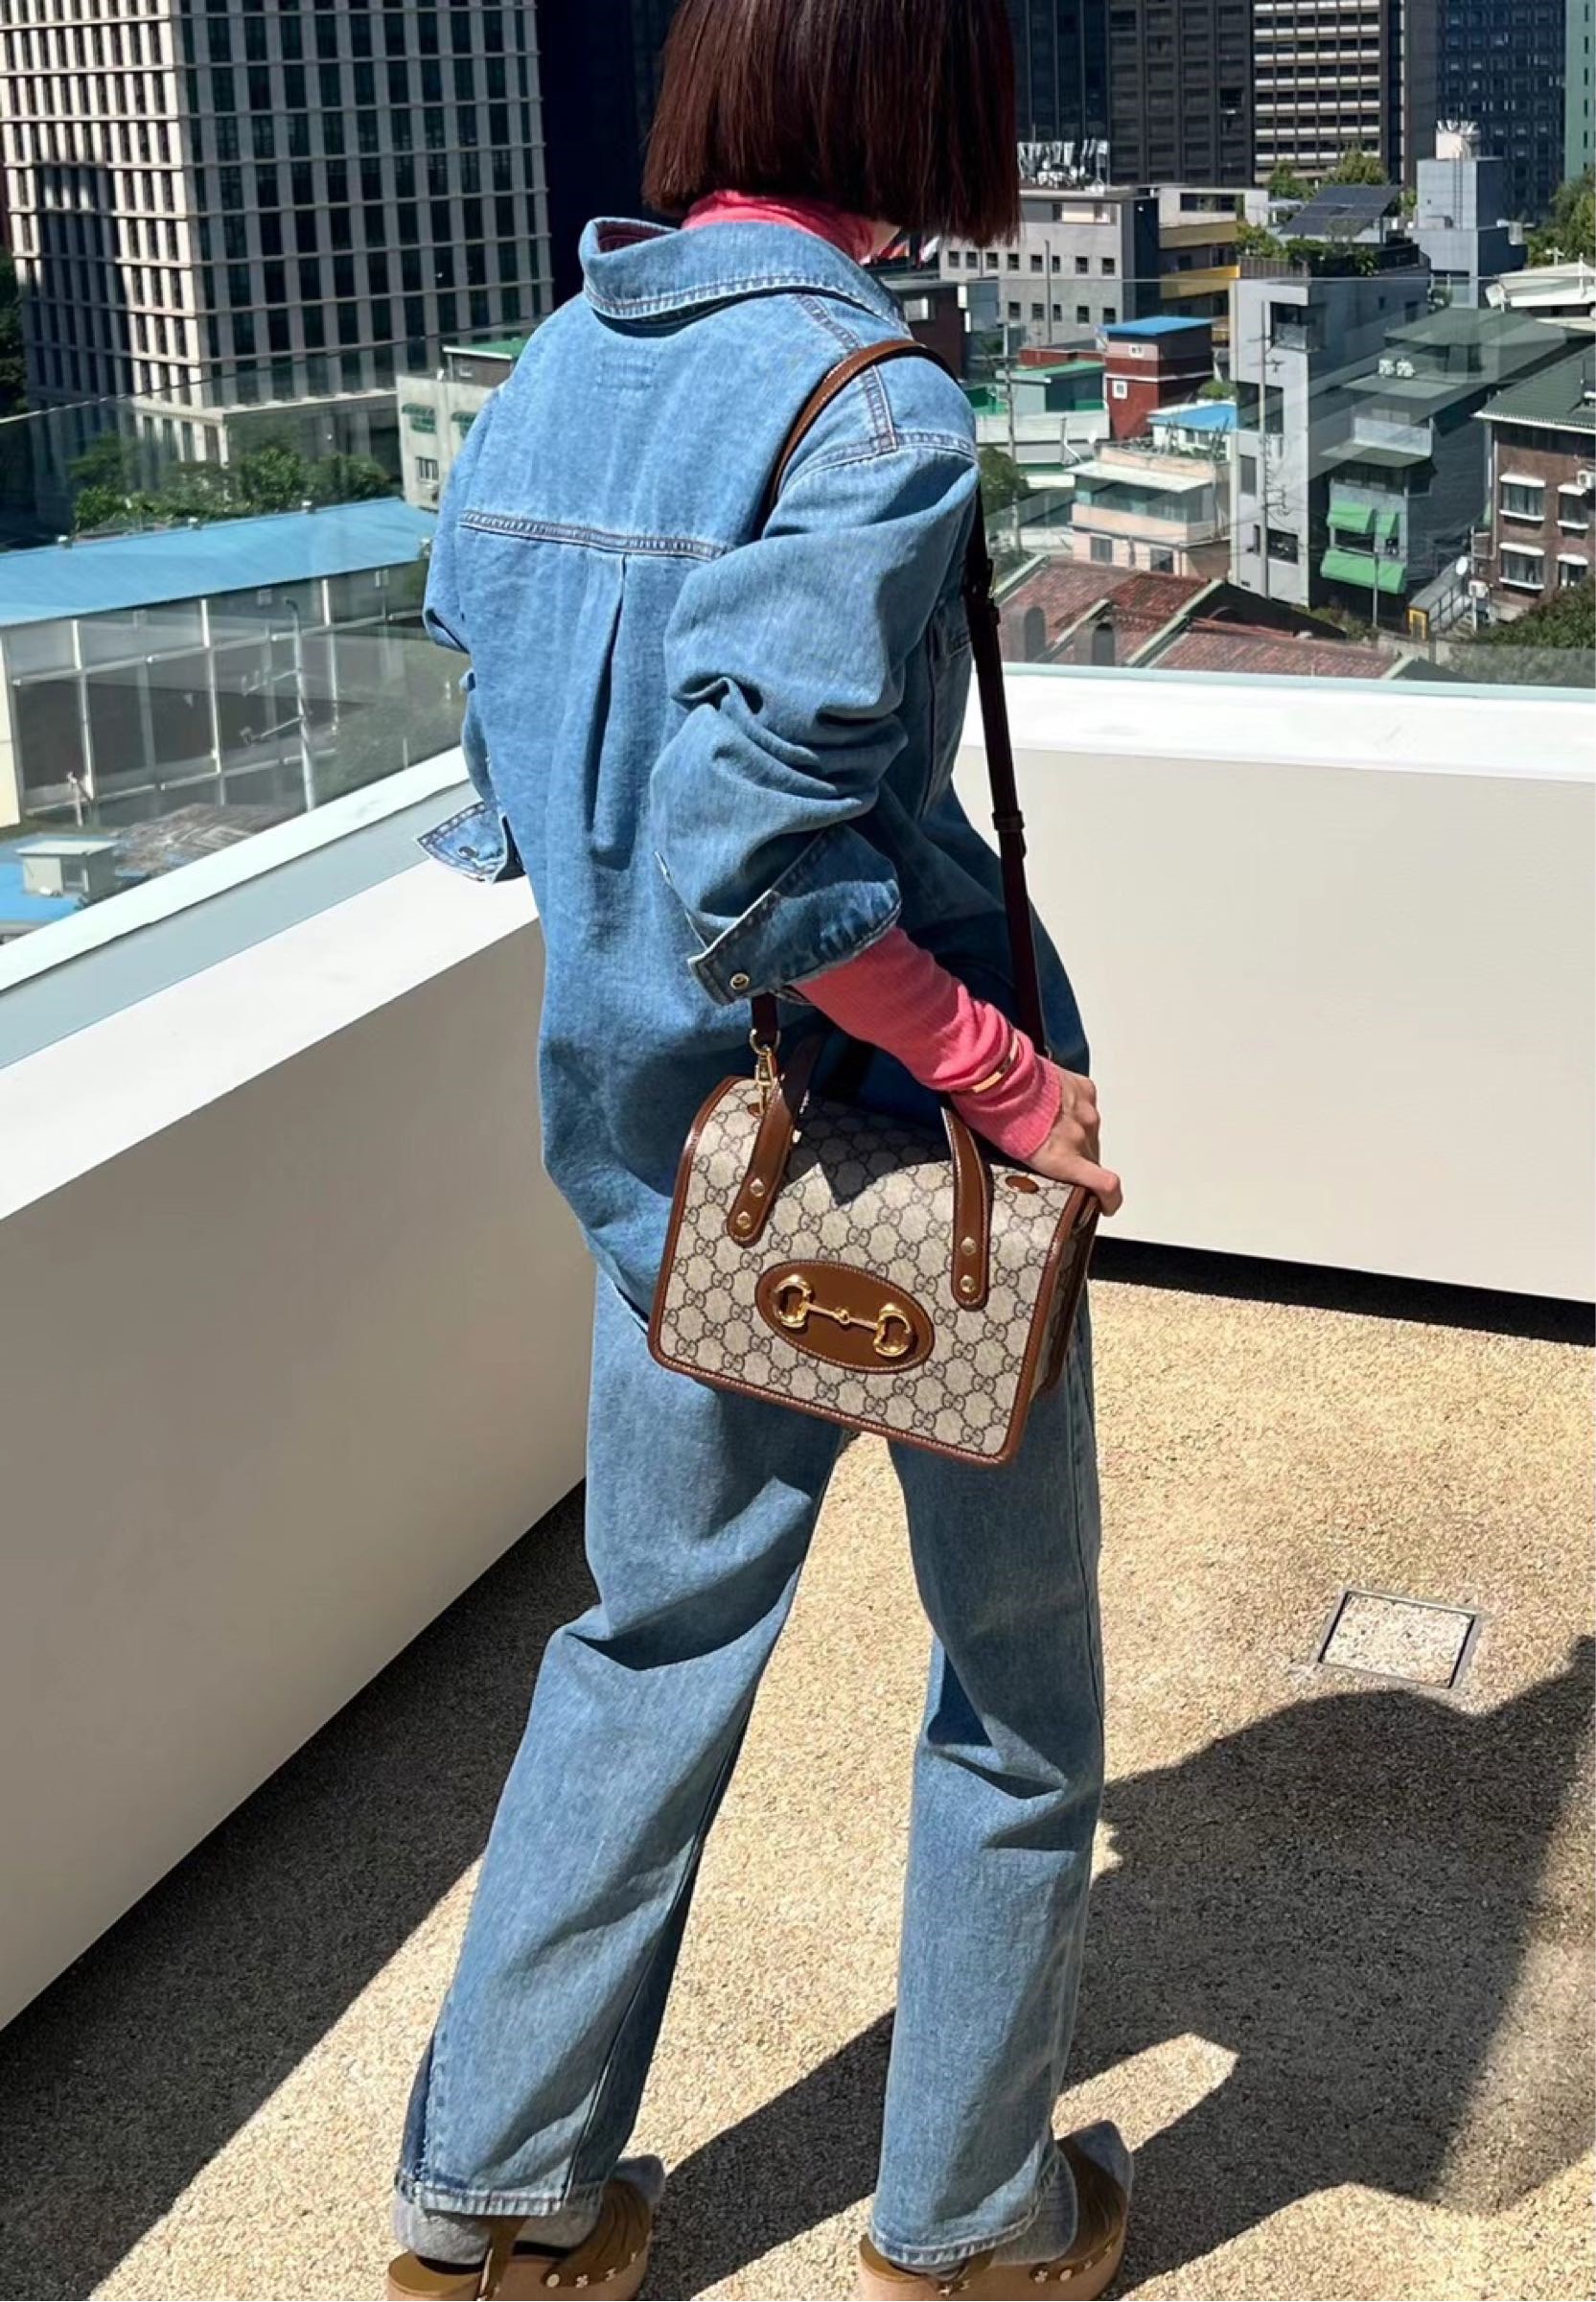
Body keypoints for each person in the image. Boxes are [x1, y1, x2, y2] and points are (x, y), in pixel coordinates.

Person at [388, 3, 1126, 2297]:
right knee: (1016, 1693)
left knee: (647, 1641)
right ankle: (968, 2222)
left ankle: (496, 2198)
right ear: (918, 92)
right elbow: (757, 848)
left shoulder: (552, 366)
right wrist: (1003, 1079)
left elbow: (513, 791)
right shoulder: (870, 400)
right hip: (902, 1148)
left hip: (665, 1149)